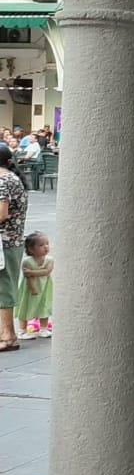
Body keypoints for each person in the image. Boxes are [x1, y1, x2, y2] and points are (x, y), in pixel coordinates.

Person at [0, 145, 29, 353]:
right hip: (12, 241)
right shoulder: (11, 177)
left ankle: (8, 335)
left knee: (5, 286)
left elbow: (1, 213)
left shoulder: (2, 180)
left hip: (4, 242)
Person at [17, 231, 53, 339]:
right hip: (30, 289)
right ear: (31, 249)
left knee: (44, 306)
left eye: (47, 243)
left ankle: (44, 328)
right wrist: (33, 289)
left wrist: (32, 272)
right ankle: (22, 330)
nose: (46, 247)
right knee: (26, 306)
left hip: (45, 287)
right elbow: (28, 277)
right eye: (41, 245)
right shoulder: (27, 261)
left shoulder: (49, 260)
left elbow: (47, 271)